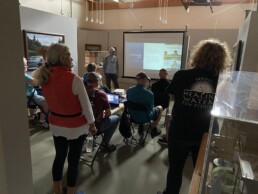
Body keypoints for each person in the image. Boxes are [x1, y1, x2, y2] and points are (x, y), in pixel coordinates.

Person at [158, 38, 231, 194]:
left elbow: (172, 97)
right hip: (206, 132)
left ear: (198, 55)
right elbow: (224, 104)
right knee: (202, 172)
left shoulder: (182, 75)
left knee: (175, 168)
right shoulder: (223, 80)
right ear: (222, 59)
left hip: (180, 129)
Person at [33, 44, 97, 194]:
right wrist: (92, 124)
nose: (72, 59)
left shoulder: (45, 77)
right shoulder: (74, 79)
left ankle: (57, 189)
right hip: (75, 126)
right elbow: (86, 107)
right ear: (63, 58)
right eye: (69, 55)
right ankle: (71, 191)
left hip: (56, 124)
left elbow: (48, 103)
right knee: (73, 160)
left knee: (59, 156)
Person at [86, 72, 120, 152]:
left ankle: (93, 139)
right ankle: (105, 144)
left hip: (82, 127)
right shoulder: (101, 94)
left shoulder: (82, 92)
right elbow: (108, 114)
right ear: (97, 81)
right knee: (117, 118)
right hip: (96, 127)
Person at [126, 72, 163, 138]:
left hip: (132, 117)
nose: (147, 81)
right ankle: (154, 129)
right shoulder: (149, 94)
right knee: (160, 108)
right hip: (145, 118)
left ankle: (141, 126)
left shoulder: (129, 90)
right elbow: (151, 109)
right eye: (146, 79)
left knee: (139, 108)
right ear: (144, 80)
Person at [24, 57, 49, 129]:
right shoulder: (24, 76)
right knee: (45, 102)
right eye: (25, 65)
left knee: (33, 100)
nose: (27, 66)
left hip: (29, 96)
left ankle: (31, 116)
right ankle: (42, 120)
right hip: (31, 95)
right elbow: (35, 83)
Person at [151, 68, 170, 145]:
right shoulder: (169, 85)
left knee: (155, 107)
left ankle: (154, 121)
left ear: (159, 75)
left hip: (155, 104)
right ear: (166, 74)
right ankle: (155, 124)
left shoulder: (154, 85)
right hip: (165, 104)